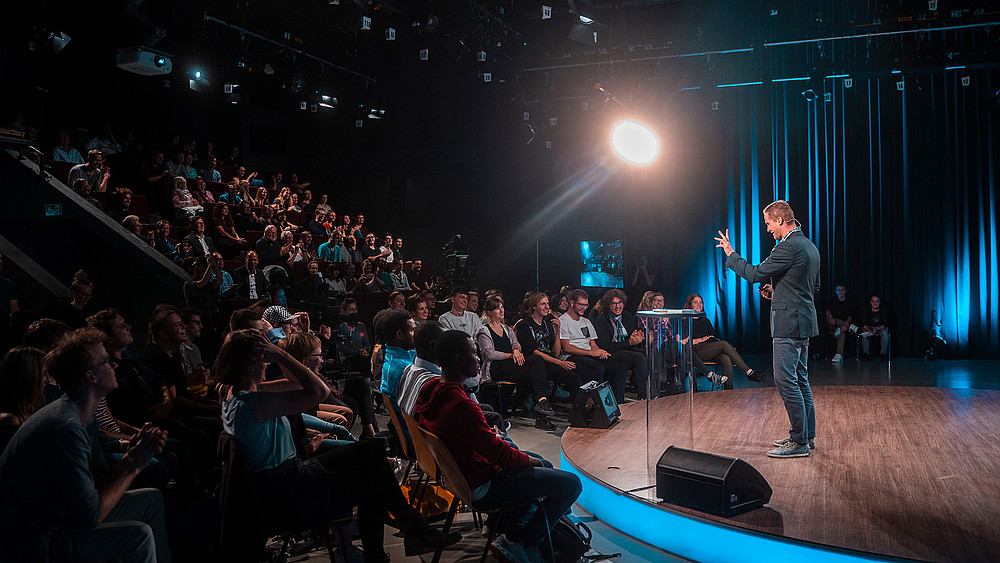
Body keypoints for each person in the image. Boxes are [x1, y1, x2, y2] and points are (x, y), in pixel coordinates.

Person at [218, 329, 459, 560]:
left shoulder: (236, 395)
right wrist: (280, 354)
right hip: (289, 490)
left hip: (283, 480)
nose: (267, 363)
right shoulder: (254, 404)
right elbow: (318, 391)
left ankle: (413, 530)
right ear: (248, 364)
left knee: (371, 450)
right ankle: (407, 535)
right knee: (373, 483)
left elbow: (296, 383)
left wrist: (276, 354)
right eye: (262, 359)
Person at [0, 328, 171, 563]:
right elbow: (90, 515)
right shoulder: (65, 427)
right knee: (137, 536)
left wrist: (135, 452)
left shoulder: (84, 416)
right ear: (90, 376)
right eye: (106, 362)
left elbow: (99, 478)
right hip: (34, 540)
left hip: (60, 519)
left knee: (150, 499)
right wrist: (133, 464)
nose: (114, 365)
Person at [415, 330, 582, 563]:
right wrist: (522, 458)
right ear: (459, 359)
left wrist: (490, 437)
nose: (479, 359)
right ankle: (522, 543)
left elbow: (475, 439)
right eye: (474, 353)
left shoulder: (431, 389)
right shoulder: (460, 404)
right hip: (483, 486)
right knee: (571, 484)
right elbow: (500, 455)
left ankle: (521, 530)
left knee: (541, 463)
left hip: (463, 479)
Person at [716, 199, 820, 458]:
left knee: (786, 381)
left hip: (789, 325)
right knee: (800, 380)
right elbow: (810, 286)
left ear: (781, 221)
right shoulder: (808, 245)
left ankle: (799, 442)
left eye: (768, 223)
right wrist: (778, 291)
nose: (767, 229)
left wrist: (731, 254)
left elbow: (754, 274)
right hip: (803, 321)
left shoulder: (787, 247)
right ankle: (806, 436)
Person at [477, 297, 558, 430]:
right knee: (535, 374)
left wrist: (516, 350)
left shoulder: (507, 329)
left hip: (511, 363)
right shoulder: (484, 331)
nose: (501, 310)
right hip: (497, 367)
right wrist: (512, 354)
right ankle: (542, 414)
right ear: (490, 312)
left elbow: (516, 344)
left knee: (537, 361)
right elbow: (489, 354)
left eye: (502, 307)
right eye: (497, 308)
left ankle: (542, 401)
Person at [559, 289, 627, 403]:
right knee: (597, 367)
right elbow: (566, 347)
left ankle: (618, 403)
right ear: (572, 303)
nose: (584, 308)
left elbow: (593, 344)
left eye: (586, 305)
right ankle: (599, 404)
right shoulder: (563, 321)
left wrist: (599, 351)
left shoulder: (586, 321)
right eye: (581, 304)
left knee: (620, 366)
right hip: (571, 356)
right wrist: (591, 352)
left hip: (588, 354)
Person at [681, 293, 759, 387]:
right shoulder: (685, 321)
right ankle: (749, 372)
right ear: (690, 305)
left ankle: (728, 392)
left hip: (710, 349)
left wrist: (706, 339)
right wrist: (701, 339)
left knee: (726, 358)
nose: (699, 305)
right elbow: (684, 342)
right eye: (695, 302)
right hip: (696, 351)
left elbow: (712, 337)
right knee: (724, 344)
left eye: (701, 302)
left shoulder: (705, 321)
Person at [592, 289, 653, 398]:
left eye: (620, 303)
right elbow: (606, 346)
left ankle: (652, 392)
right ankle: (644, 396)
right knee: (638, 357)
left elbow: (632, 341)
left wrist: (637, 339)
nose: (617, 306)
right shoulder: (601, 320)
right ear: (608, 305)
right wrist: (629, 342)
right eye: (614, 304)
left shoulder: (627, 316)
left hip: (626, 352)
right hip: (610, 353)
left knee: (649, 353)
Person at [825, 284, 858, 362]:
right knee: (829, 318)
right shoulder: (832, 301)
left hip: (842, 327)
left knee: (840, 331)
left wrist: (846, 325)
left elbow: (850, 315)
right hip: (832, 325)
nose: (841, 292)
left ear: (845, 291)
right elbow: (827, 310)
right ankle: (851, 326)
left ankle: (839, 354)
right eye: (839, 290)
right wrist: (830, 316)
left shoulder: (850, 302)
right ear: (836, 291)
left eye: (842, 290)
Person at [859, 295, 890, 362]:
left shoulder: (884, 310)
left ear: (880, 302)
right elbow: (864, 324)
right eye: (873, 301)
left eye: (877, 301)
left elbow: (885, 324)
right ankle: (866, 354)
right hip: (868, 327)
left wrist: (876, 329)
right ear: (870, 302)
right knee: (865, 333)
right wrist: (869, 330)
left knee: (885, 333)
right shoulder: (866, 309)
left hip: (879, 328)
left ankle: (883, 354)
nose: (875, 303)